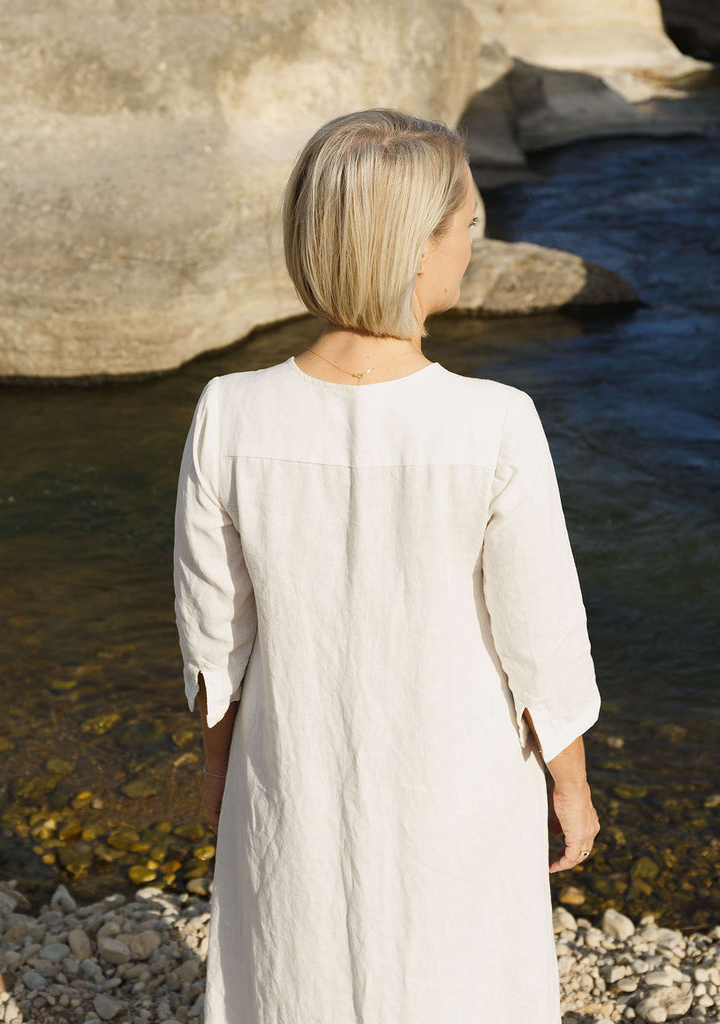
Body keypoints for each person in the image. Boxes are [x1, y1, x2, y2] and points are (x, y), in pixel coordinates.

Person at [174, 108, 601, 1024]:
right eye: (466, 230)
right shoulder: (494, 420)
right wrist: (570, 784)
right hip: (457, 778)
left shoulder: (228, 411)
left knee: (297, 970)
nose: (471, 251)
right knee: (459, 977)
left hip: (295, 771)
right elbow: (541, 641)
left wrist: (219, 771)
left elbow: (216, 637)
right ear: (415, 251)